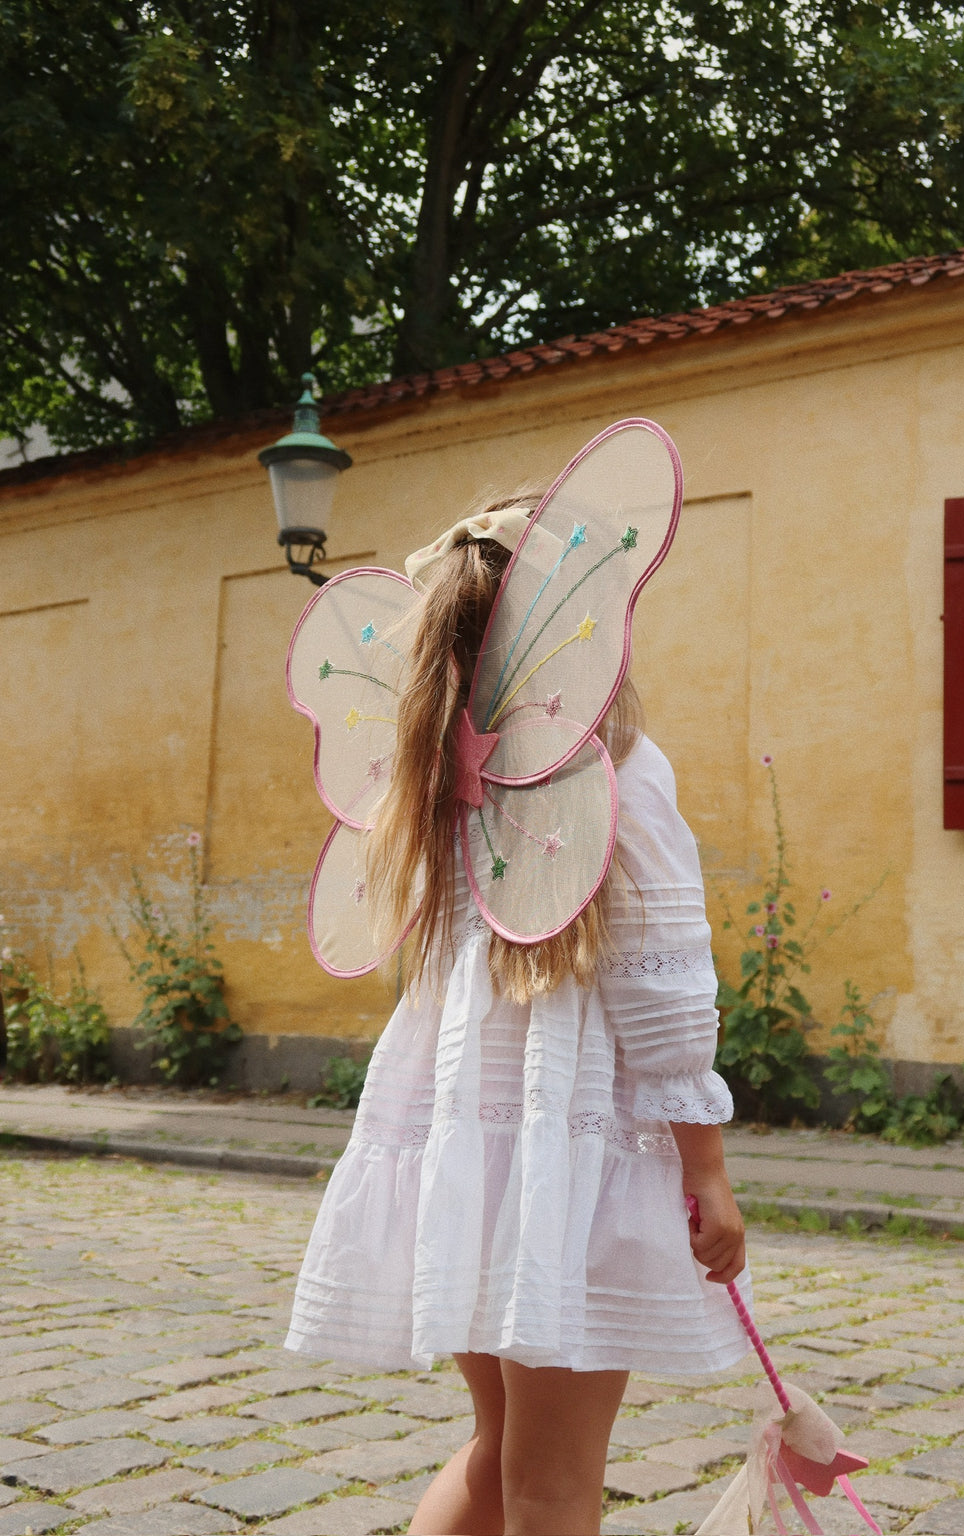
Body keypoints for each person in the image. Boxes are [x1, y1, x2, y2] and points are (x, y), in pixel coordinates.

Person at [285, 497, 750, 1536]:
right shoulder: (614, 765)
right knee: (552, 1475)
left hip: (462, 1152)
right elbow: (661, 977)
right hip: (556, 1160)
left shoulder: (435, 777)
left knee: (501, 1448)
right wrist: (706, 1168)